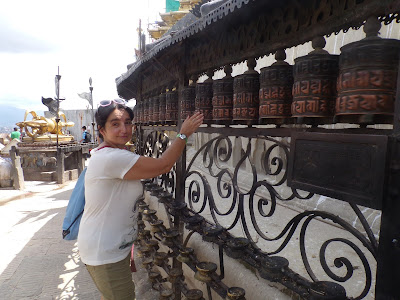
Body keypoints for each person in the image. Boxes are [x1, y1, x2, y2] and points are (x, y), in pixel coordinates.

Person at [77, 99, 203, 300]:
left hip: (110, 246)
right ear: (101, 130)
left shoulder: (111, 154)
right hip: (104, 251)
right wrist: (184, 133)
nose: (124, 129)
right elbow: (163, 165)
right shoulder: (111, 158)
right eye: (115, 124)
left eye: (128, 122)